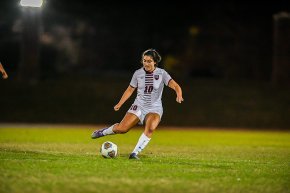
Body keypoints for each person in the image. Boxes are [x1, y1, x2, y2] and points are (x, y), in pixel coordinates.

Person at [91, 48, 184, 159]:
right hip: (139, 105)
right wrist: (120, 103)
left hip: (155, 108)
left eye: (149, 61)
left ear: (155, 62)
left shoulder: (162, 73)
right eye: (144, 60)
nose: (146, 63)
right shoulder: (138, 74)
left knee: (150, 128)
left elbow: (175, 85)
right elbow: (130, 90)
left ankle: (134, 153)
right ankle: (103, 132)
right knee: (122, 129)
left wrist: (179, 94)